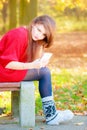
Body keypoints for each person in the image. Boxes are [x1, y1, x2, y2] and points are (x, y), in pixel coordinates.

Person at [0, 15, 74, 125]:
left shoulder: (31, 37)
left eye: (43, 34)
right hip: (4, 70)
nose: (38, 35)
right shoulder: (19, 35)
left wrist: (40, 57)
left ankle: (51, 114)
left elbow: (26, 59)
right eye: (39, 30)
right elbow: (8, 63)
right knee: (44, 73)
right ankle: (51, 115)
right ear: (34, 23)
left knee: (43, 70)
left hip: (6, 71)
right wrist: (33, 65)